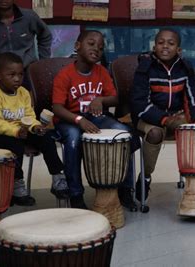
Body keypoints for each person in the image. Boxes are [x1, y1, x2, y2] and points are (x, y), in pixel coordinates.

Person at [52, 30, 138, 210]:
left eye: (100, 47)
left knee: (122, 133)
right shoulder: (65, 74)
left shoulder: (102, 72)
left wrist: (100, 100)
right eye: (91, 44)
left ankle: (125, 189)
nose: (96, 49)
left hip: (95, 118)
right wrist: (78, 120)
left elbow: (114, 98)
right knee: (74, 137)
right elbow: (57, 108)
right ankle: (76, 194)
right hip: (69, 120)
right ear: (77, 46)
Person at [131, 28, 195, 205]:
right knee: (155, 134)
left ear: (179, 50)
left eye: (171, 43)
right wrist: (164, 119)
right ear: (154, 46)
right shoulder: (145, 68)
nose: (165, 46)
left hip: (176, 116)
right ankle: (145, 176)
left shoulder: (185, 68)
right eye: (160, 42)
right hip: (149, 119)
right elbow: (139, 103)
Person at [0, 52, 69, 206]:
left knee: (46, 138)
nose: (17, 79)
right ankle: (18, 186)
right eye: (11, 75)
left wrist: (35, 127)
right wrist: (16, 132)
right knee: (16, 145)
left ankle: (57, 178)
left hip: (22, 130)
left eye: (20, 74)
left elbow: (29, 116)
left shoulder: (24, 93)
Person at [0, 0, 52, 89]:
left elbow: (45, 35)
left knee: (30, 99)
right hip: (2, 73)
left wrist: (43, 62)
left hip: (27, 71)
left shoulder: (28, 16)